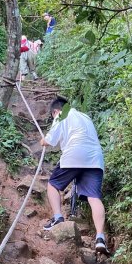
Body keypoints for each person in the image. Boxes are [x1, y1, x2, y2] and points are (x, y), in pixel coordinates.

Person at [40, 97, 109, 255]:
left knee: (53, 185)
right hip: (95, 158)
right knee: (94, 197)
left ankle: (57, 217)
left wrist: (43, 141)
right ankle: (100, 237)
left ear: (55, 111)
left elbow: (50, 140)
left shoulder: (61, 115)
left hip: (74, 154)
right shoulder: (85, 116)